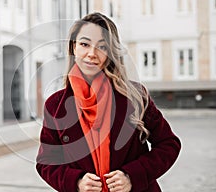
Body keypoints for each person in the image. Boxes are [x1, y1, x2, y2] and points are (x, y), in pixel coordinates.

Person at [36, 12, 181, 192]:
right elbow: (46, 162)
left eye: (102, 47)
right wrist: (76, 182)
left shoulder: (135, 96)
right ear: (73, 47)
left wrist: (132, 176)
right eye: (84, 44)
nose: (92, 54)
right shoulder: (55, 105)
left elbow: (169, 144)